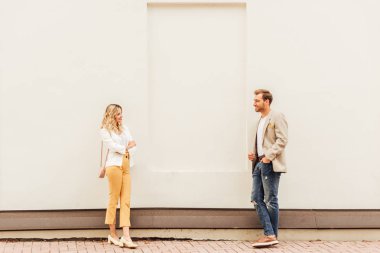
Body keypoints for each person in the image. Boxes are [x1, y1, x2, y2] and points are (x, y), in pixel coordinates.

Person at [248, 89, 288, 248]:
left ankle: (270, 235)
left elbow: (283, 139)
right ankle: (270, 234)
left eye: (257, 100)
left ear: (266, 101)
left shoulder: (277, 116)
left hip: (270, 163)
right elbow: (263, 142)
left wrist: (267, 156)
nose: (254, 103)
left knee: (271, 200)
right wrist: (256, 155)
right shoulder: (260, 120)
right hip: (259, 163)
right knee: (256, 198)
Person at [100, 104, 138, 248]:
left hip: (126, 164)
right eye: (118, 114)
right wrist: (126, 148)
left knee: (126, 200)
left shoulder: (124, 128)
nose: (121, 116)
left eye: (121, 113)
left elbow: (134, 145)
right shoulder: (104, 130)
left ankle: (126, 237)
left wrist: (126, 149)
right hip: (114, 166)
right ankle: (113, 234)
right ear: (111, 115)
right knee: (113, 199)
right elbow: (112, 146)